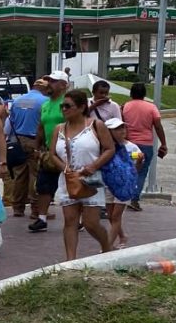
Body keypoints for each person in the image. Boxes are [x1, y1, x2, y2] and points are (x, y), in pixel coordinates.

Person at [48, 90, 114, 260]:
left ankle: (107, 247)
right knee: (70, 220)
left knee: (91, 223)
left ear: (81, 107)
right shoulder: (59, 129)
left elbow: (109, 149)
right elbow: (52, 154)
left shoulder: (96, 125)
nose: (64, 109)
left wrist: (93, 166)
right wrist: (64, 167)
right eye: (63, 106)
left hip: (90, 180)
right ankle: (70, 260)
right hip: (68, 179)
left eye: (68, 106)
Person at [29, 70, 71, 233]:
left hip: (67, 150)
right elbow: (41, 127)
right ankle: (42, 218)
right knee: (44, 185)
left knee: (71, 184)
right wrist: (36, 146)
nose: (49, 84)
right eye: (49, 81)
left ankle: (77, 218)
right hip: (49, 150)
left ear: (63, 85)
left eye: (53, 81)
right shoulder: (45, 105)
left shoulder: (67, 103)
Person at [6, 78, 50, 218]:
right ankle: (35, 209)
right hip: (35, 141)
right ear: (44, 89)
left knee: (19, 175)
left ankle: (18, 208)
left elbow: (11, 121)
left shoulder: (18, 101)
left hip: (19, 140)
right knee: (35, 175)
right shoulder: (44, 101)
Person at [121, 82, 168, 211]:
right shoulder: (151, 107)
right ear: (144, 94)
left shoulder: (125, 107)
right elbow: (158, 126)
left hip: (129, 146)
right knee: (141, 172)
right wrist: (163, 143)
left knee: (128, 169)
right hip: (145, 146)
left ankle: (121, 196)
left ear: (131, 93)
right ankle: (134, 199)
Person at [102, 118, 144, 249]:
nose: (122, 131)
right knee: (110, 215)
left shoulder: (131, 147)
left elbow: (137, 167)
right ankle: (122, 236)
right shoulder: (104, 148)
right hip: (109, 184)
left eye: (123, 128)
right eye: (117, 129)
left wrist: (138, 163)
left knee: (116, 216)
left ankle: (107, 246)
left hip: (125, 185)